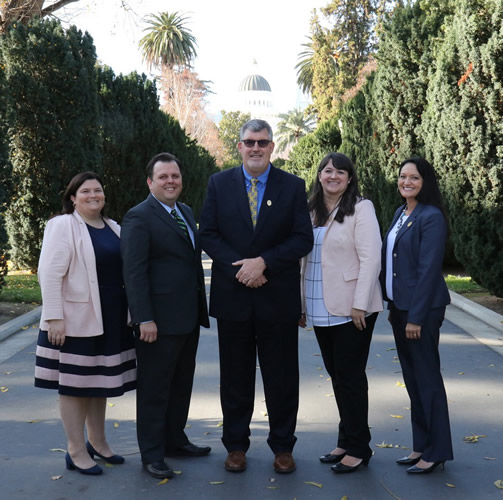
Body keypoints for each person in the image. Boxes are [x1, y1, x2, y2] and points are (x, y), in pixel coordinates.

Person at [199, 119, 313, 474]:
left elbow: (301, 239)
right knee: (235, 378)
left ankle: (283, 447)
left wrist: (263, 263)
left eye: (262, 142)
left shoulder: (292, 186)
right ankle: (235, 446)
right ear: (240, 146)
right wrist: (241, 269)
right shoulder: (219, 184)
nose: (255, 148)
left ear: (272, 146)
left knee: (281, 378)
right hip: (233, 298)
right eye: (249, 142)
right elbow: (209, 234)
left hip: (276, 298)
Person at [35, 172, 136, 476]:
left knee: (99, 384)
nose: (94, 195)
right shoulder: (63, 225)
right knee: (74, 386)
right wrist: (54, 317)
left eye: (98, 190)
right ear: (73, 198)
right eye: (86, 191)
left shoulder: (114, 228)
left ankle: (99, 443)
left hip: (111, 319)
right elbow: (49, 273)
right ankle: (76, 450)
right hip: (75, 321)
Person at [120, 152, 210, 480]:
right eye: (163, 177)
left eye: (175, 176)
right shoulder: (138, 217)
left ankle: (175, 440)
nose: (170, 181)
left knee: (181, 384)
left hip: (187, 318)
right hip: (156, 322)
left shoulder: (184, 211)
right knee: (155, 389)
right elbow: (134, 272)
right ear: (150, 182)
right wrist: (143, 317)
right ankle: (152, 454)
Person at [299, 153, 382, 474]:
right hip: (320, 303)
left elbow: (371, 257)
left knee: (350, 376)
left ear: (349, 178)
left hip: (352, 308)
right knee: (338, 375)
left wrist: (360, 302)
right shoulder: (310, 210)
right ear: (319, 175)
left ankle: (360, 447)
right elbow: (302, 261)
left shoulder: (362, 208)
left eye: (340, 172)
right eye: (327, 170)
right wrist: (301, 304)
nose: (333, 176)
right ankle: (347, 438)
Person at [380, 157, 453, 474]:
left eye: (414, 177)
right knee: (412, 379)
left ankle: (437, 450)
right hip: (401, 308)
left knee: (427, 379)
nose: (406, 182)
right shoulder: (401, 213)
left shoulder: (431, 216)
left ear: (425, 182)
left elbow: (427, 270)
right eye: (402, 177)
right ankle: (421, 445)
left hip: (420, 311)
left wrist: (416, 317)